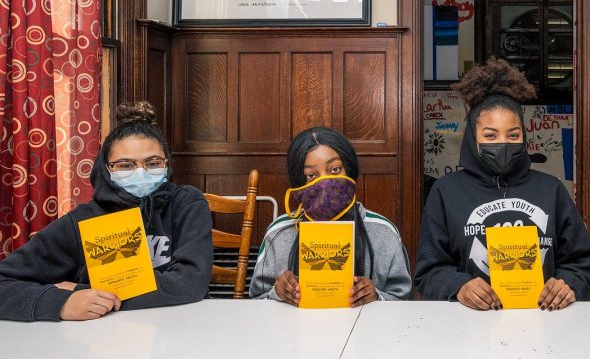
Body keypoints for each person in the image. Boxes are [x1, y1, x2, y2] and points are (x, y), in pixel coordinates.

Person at [0, 102, 213, 322]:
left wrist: (82, 291)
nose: (141, 172)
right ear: (106, 168)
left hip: (181, 325)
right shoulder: (82, 221)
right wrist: (60, 303)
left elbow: (191, 282)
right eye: (125, 165)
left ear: (167, 164)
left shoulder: (186, 204)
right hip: (107, 335)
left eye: (153, 163)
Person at [415, 58, 590, 311]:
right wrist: (459, 286)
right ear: (472, 138)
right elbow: (429, 270)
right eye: (490, 135)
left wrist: (568, 283)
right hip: (468, 323)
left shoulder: (551, 190)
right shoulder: (446, 192)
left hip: (544, 320)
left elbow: (581, 260)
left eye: (513, 135)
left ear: (524, 136)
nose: (503, 143)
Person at [249, 127, 411, 305]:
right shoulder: (279, 232)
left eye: (334, 169)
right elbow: (256, 300)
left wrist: (376, 297)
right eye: (311, 175)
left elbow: (403, 300)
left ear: (349, 170)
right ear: (298, 183)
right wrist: (277, 293)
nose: (325, 183)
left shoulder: (383, 231)